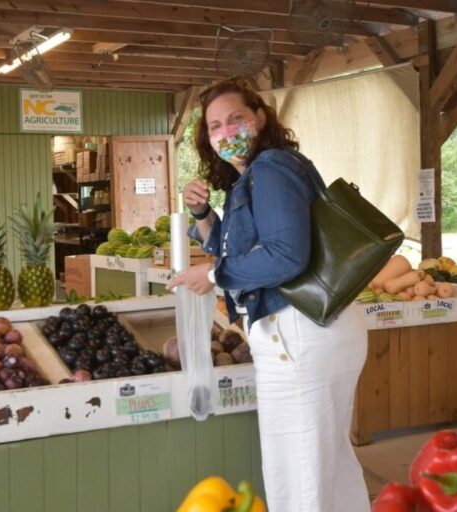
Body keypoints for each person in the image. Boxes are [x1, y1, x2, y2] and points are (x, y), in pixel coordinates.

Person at [167, 78, 369, 511]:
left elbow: (285, 256)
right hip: (314, 328)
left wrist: (216, 276)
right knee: (328, 469)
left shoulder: (271, 169)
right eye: (215, 126)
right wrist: (203, 216)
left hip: (295, 332)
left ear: (260, 117)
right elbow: (240, 249)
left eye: (236, 118)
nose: (226, 132)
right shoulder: (256, 177)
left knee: (298, 479)